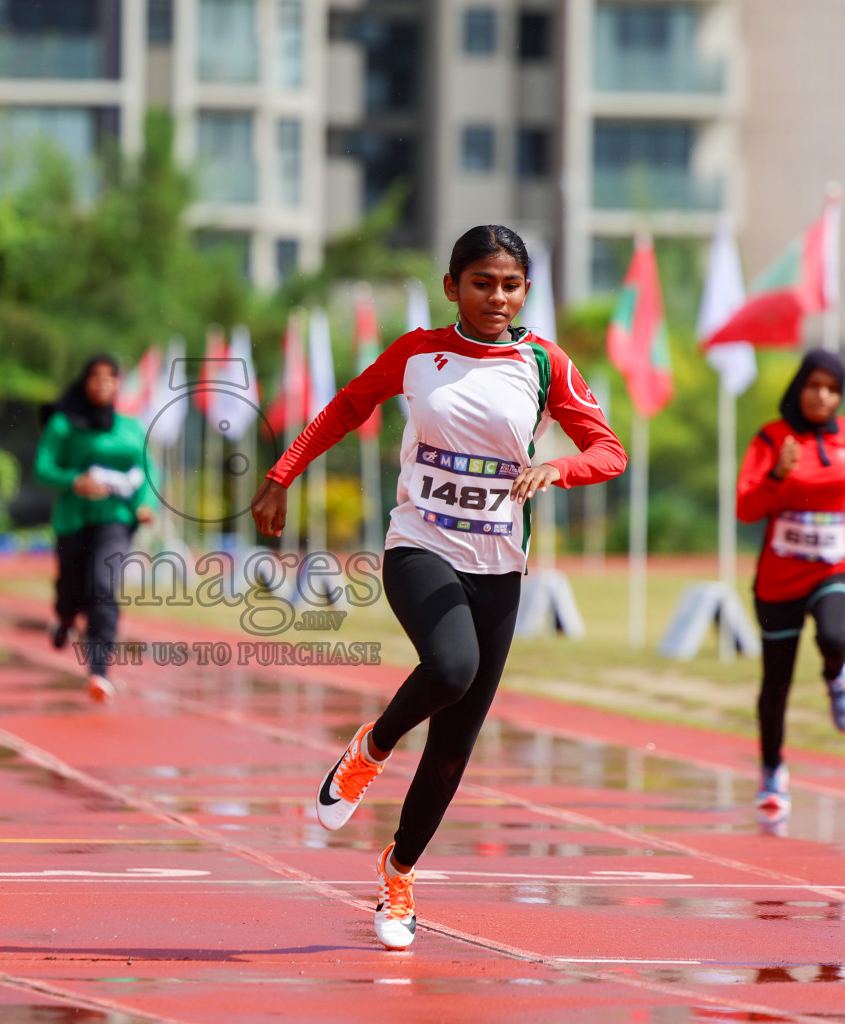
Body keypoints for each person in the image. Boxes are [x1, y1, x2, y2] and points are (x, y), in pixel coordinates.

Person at [251, 225, 626, 950]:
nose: (497, 297)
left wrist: (560, 468)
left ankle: (399, 873)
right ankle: (372, 746)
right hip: (419, 545)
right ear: (452, 286)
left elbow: (608, 449)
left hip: (499, 566)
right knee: (451, 668)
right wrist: (280, 475)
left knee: (455, 745)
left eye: (511, 284)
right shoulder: (419, 353)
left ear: (525, 291)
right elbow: (345, 408)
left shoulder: (543, 364)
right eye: (482, 282)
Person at [737, 350, 845, 817]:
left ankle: (837, 676)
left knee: (835, 635)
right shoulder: (771, 438)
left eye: (832, 387)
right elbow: (746, 508)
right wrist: (779, 473)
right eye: (814, 384)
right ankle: (772, 771)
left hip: (833, 565)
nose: (822, 395)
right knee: (775, 683)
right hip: (779, 578)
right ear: (798, 386)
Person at [34, 355, 156, 703]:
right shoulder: (64, 425)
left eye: (110, 377)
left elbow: (148, 469)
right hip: (74, 519)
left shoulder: (131, 427)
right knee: (73, 591)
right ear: (84, 382)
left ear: (119, 384)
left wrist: (147, 503)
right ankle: (64, 616)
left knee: (102, 587)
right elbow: (43, 468)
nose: (102, 383)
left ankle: (99, 671)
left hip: (116, 519)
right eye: (95, 377)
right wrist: (75, 481)